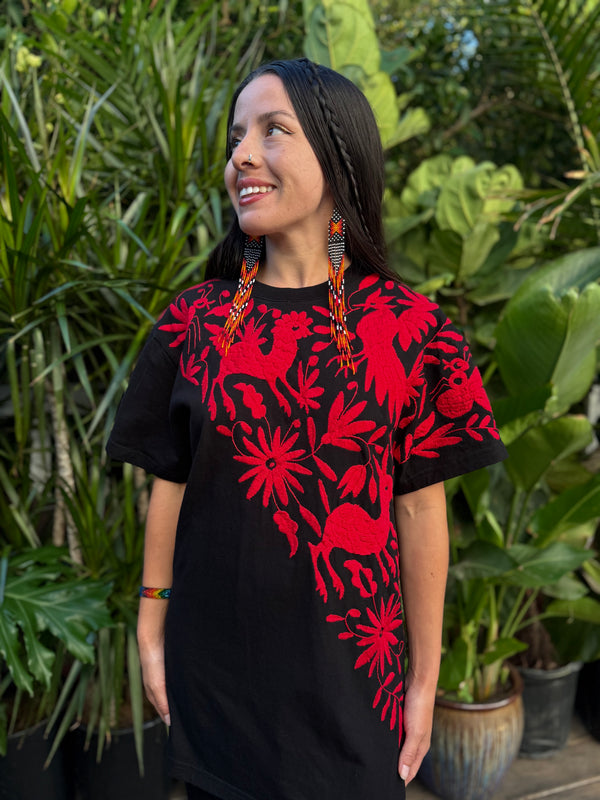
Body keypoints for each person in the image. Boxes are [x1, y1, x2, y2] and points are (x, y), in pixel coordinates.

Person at [107, 58, 507, 800]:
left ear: (339, 155)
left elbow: (422, 512)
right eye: (236, 137)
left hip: (353, 695)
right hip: (218, 683)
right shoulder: (194, 324)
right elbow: (170, 478)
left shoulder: (412, 332)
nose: (241, 155)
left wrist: (425, 681)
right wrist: (150, 626)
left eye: (273, 131)